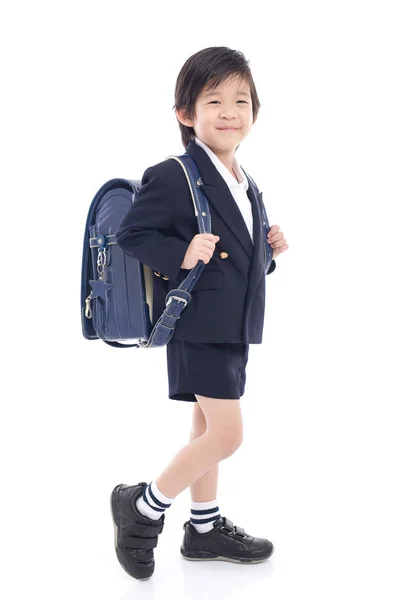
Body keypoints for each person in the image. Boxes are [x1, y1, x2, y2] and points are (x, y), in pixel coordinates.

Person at [111, 46, 289, 581]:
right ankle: (142, 507)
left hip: (233, 325)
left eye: (241, 100)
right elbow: (131, 234)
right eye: (214, 100)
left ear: (254, 111)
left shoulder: (245, 181)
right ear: (186, 114)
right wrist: (180, 253)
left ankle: (204, 527)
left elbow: (233, 255)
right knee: (228, 435)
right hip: (197, 325)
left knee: (206, 426)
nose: (230, 111)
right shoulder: (172, 174)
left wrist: (268, 251)